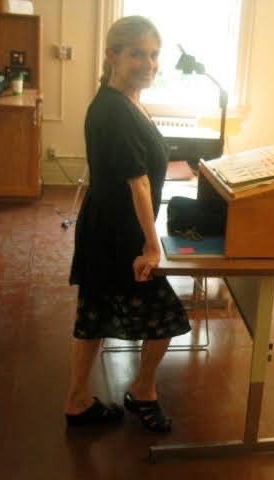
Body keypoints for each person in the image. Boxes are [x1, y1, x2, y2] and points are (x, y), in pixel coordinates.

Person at [64, 16, 191, 432]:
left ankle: (79, 400)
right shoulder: (115, 111)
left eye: (153, 55)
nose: (149, 63)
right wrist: (152, 247)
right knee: (166, 316)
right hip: (119, 235)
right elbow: (138, 184)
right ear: (112, 55)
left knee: (94, 314)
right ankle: (143, 390)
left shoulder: (123, 101)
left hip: (105, 228)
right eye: (137, 53)